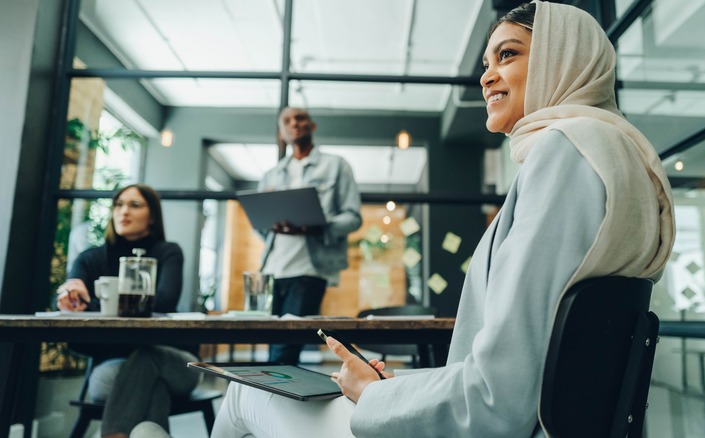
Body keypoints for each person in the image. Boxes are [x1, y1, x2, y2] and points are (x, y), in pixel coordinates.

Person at [210, 2, 675, 436]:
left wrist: (375, 394)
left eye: (506, 55)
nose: (487, 77)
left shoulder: (566, 154)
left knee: (242, 391)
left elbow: (498, 397)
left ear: (562, 58)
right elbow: (527, 365)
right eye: (485, 65)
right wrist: (397, 389)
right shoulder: (616, 155)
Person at [56, 184, 200, 438]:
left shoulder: (167, 253)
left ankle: (113, 434)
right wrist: (71, 295)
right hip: (114, 369)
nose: (124, 211)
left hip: (174, 363)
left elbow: (164, 302)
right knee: (152, 385)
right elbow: (74, 306)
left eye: (135, 205)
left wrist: (98, 310)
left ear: (153, 216)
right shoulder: (90, 259)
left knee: (147, 355)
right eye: (119, 204)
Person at [256, 106, 362, 364]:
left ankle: (276, 399)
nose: (295, 124)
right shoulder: (270, 175)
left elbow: (353, 217)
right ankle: (274, 399)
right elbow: (260, 225)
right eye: (287, 121)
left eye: (300, 118)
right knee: (272, 345)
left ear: (312, 126)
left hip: (310, 272)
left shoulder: (336, 166)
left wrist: (317, 226)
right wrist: (274, 225)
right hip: (271, 271)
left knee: (286, 349)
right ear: (281, 132)